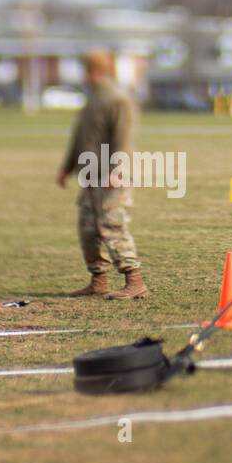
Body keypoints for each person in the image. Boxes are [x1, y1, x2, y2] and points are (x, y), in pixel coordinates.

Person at [56, 50, 146, 299]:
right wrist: (67, 167)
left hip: (113, 175)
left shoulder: (117, 99)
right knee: (88, 227)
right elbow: (80, 137)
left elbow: (123, 139)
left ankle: (134, 280)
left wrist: (117, 170)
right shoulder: (92, 99)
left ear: (93, 70)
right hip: (91, 174)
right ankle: (98, 280)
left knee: (111, 224)